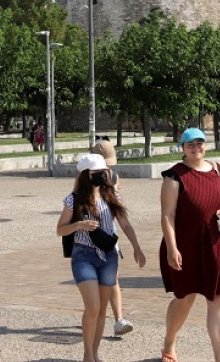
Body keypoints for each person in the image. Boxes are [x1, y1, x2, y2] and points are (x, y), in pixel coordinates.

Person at [159, 127, 220, 362]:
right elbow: (168, 215)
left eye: (200, 143)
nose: (196, 148)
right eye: (190, 144)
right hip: (186, 245)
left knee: (218, 300)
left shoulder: (217, 169)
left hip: (217, 243)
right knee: (185, 299)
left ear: (205, 145)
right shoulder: (174, 175)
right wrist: (172, 248)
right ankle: (169, 343)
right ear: (182, 148)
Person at [57, 153, 146, 362]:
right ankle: (87, 355)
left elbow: (124, 223)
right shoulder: (73, 199)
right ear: (86, 175)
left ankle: (95, 353)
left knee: (103, 308)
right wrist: (79, 225)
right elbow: (60, 229)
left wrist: (137, 247)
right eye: (96, 172)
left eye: (103, 171)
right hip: (83, 255)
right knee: (93, 306)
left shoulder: (111, 194)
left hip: (108, 255)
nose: (101, 175)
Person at [90, 139, 135, 337]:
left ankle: (118, 319)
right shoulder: (87, 177)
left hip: (108, 232)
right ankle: (96, 315)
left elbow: (118, 202)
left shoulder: (113, 176)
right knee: (94, 279)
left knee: (112, 277)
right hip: (89, 234)